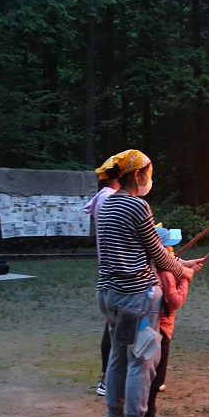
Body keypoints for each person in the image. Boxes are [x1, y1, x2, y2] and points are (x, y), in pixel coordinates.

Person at [96, 149, 202, 417]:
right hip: (136, 296)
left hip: (110, 294)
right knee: (142, 360)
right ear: (137, 174)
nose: (150, 179)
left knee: (119, 355)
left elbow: (142, 251)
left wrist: (180, 264)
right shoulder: (137, 205)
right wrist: (184, 272)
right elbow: (158, 254)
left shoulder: (107, 204)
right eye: (149, 173)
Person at [144, 226, 190, 417]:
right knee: (156, 376)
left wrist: (185, 267)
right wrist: (185, 279)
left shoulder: (150, 266)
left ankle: (143, 416)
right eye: (169, 247)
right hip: (161, 328)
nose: (173, 250)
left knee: (148, 373)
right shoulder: (165, 273)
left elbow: (176, 263)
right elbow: (175, 301)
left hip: (149, 325)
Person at [83, 156, 122, 396]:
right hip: (116, 272)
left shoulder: (103, 197)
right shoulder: (109, 198)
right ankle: (108, 379)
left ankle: (111, 377)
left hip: (111, 270)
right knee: (115, 329)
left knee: (115, 327)